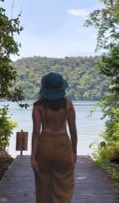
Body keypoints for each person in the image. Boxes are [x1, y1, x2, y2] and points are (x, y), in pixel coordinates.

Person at [31, 72, 77, 203]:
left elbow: (36, 132)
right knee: (64, 185)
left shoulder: (38, 106)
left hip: (44, 145)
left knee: (43, 184)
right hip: (64, 145)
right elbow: (73, 131)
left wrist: (33, 156)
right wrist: (74, 151)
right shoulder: (68, 105)